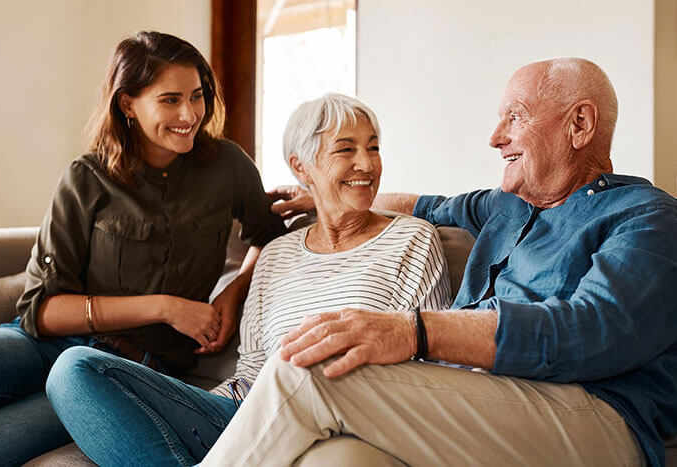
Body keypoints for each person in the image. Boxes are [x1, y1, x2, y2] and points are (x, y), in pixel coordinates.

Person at [201, 58, 677, 466]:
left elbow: (589, 330)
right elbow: (423, 205)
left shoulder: (646, 217)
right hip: (485, 402)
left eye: (515, 116)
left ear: (580, 124)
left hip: (596, 417)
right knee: (339, 457)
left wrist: (413, 330)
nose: (495, 137)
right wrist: (323, 195)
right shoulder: (506, 206)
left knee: (309, 365)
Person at [44, 93, 452, 466]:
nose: (366, 164)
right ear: (300, 167)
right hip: (246, 414)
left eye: (374, 148)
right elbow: (251, 371)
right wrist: (189, 411)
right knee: (74, 370)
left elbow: (428, 366)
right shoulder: (275, 255)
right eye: (346, 150)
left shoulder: (411, 239)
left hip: (339, 418)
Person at [0, 31, 286, 466]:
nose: (189, 114)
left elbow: (269, 234)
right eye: (170, 100)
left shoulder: (229, 166)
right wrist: (165, 307)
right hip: (39, 344)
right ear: (128, 104)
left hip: (124, 372)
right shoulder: (86, 178)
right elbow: (40, 311)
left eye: (197, 96)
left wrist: (231, 295)